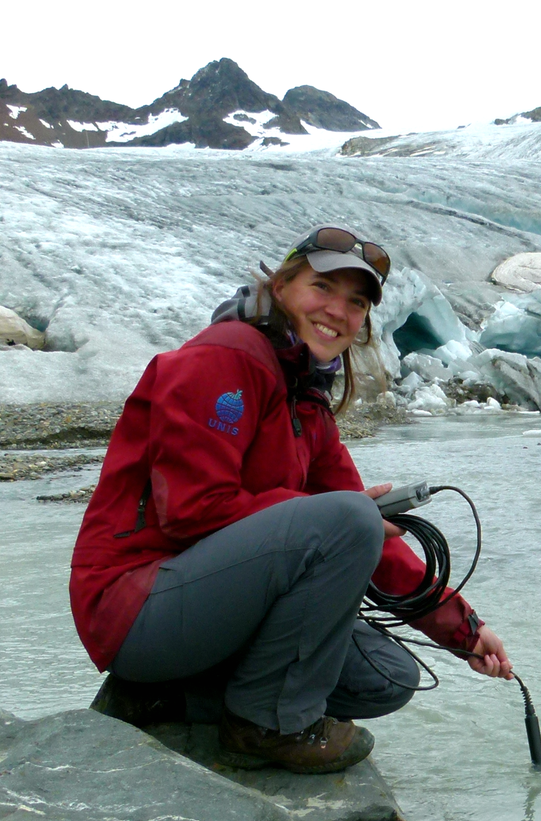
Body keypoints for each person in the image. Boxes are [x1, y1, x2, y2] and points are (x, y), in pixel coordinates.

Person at [69, 225, 512, 775]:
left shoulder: (306, 401)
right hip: (136, 606)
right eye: (322, 288)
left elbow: (355, 528)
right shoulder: (223, 361)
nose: (338, 311)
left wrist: (463, 629)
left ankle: (170, 699)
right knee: (349, 517)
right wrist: (333, 518)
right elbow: (193, 509)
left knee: (386, 678)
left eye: (356, 302)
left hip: (208, 606)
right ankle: (267, 724)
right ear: (281, 286)